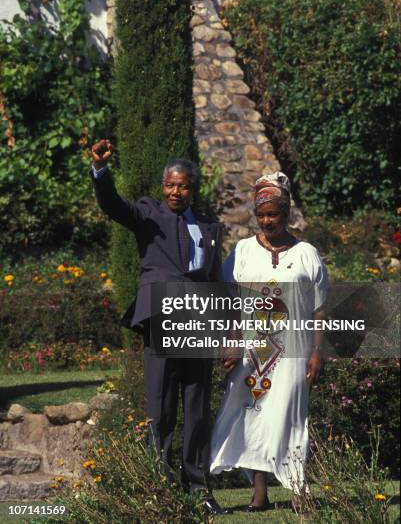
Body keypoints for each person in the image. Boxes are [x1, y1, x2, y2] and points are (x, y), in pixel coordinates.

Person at [90, 139, 231, 516]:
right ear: (162, 185)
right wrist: (101, 173)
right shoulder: (147, 214)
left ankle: (199, 487)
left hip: (199, 322)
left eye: (182, 185)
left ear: (192, 188)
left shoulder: (208, 227)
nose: (175, 190)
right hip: (162, 317)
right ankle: (159, 485)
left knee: (198, 408)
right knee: (161, 406)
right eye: (169, 184)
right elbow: (113, 205)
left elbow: (217, 281)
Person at [210, 171, 328, 513]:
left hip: (293, 353)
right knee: (253, 416)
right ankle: (259, 495)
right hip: (251, 351)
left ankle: (297, 492)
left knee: (289, 416)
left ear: (286, 213)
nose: (266, 221)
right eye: (261, 215)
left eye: (273, 214)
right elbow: (229, 303)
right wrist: (230, 342)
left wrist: (316, 353)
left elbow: (319, 310)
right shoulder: (243, 252)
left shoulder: (307, 253)